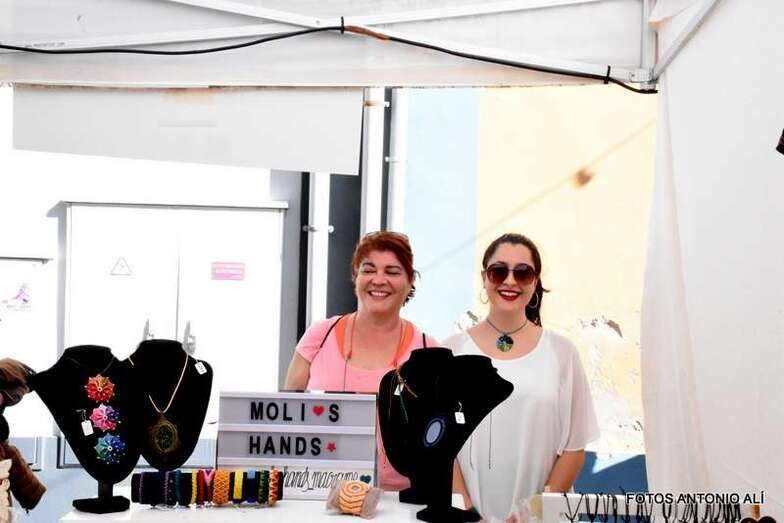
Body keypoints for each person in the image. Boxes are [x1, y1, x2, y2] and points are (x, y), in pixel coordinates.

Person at [444, 233, 599, 523]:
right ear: (484, 277)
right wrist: (466, 513)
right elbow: (441, 449)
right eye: (499, 270)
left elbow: (575, 447)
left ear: (535, 281)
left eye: (523, 273)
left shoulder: (562, 352)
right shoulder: (451, 351)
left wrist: (533, 513)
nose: (510, 281)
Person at [284, 231, 438, 491]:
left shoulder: (429, 350)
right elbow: (287, 417)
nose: (379, 280)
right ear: (356, 276)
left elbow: (441, 438)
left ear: (411, 281)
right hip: (318, 493)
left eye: (392, 271)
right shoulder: (320, 335)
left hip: (402, 500)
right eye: (369, 269)